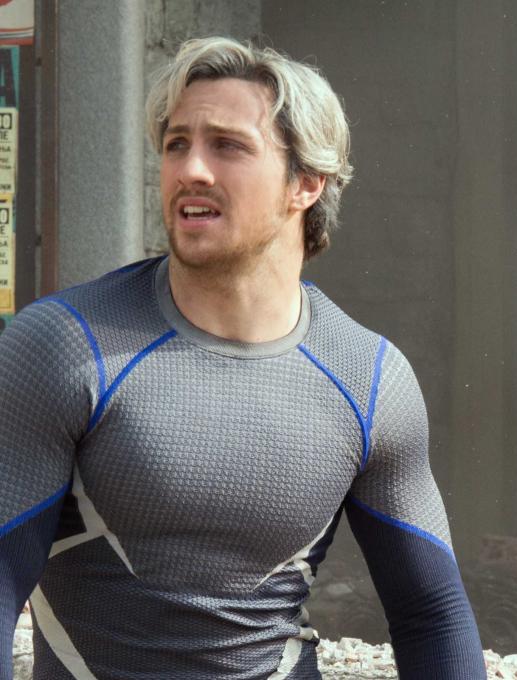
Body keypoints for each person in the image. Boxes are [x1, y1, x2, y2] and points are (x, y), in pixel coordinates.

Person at [0, 37, 486, 679]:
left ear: (306, 183)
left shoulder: (368, 378)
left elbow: (432, 616)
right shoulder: (62, 348)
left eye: (227, 146)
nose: (190, 169)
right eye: (176, 144)